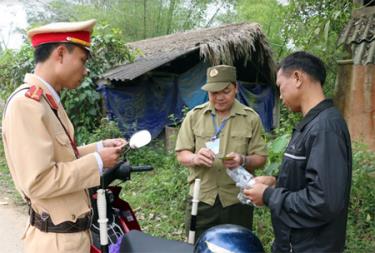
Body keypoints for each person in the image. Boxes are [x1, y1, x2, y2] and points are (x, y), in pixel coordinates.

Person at [2, 19, 126, 253]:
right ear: (60, 54)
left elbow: (63, 158)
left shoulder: (48, 102)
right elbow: (39, 181)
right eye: (82, 59)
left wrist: (99, 148)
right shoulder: (27, 105)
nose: (85, 69)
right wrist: (98, 162)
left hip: (70, 237)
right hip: (55, 243)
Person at [244, 51, 352, 253]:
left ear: (297, 78)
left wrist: (268, 196)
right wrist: (276, 182)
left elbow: (324, 201)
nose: (280, 95)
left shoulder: (325, 127)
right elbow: (309, 180)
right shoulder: (312, 124)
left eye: (279, 86)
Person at [175, 65, 267, 241]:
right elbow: (182, 154)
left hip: (237, 200)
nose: (219, 97)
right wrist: (195, 157)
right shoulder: (194, 116)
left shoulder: (251, 118)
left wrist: (243, 159)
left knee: (237, 247)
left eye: (225, 91)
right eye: (213, 92)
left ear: (236, 88)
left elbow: (261, 158)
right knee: (198, 246)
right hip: (202, 199)